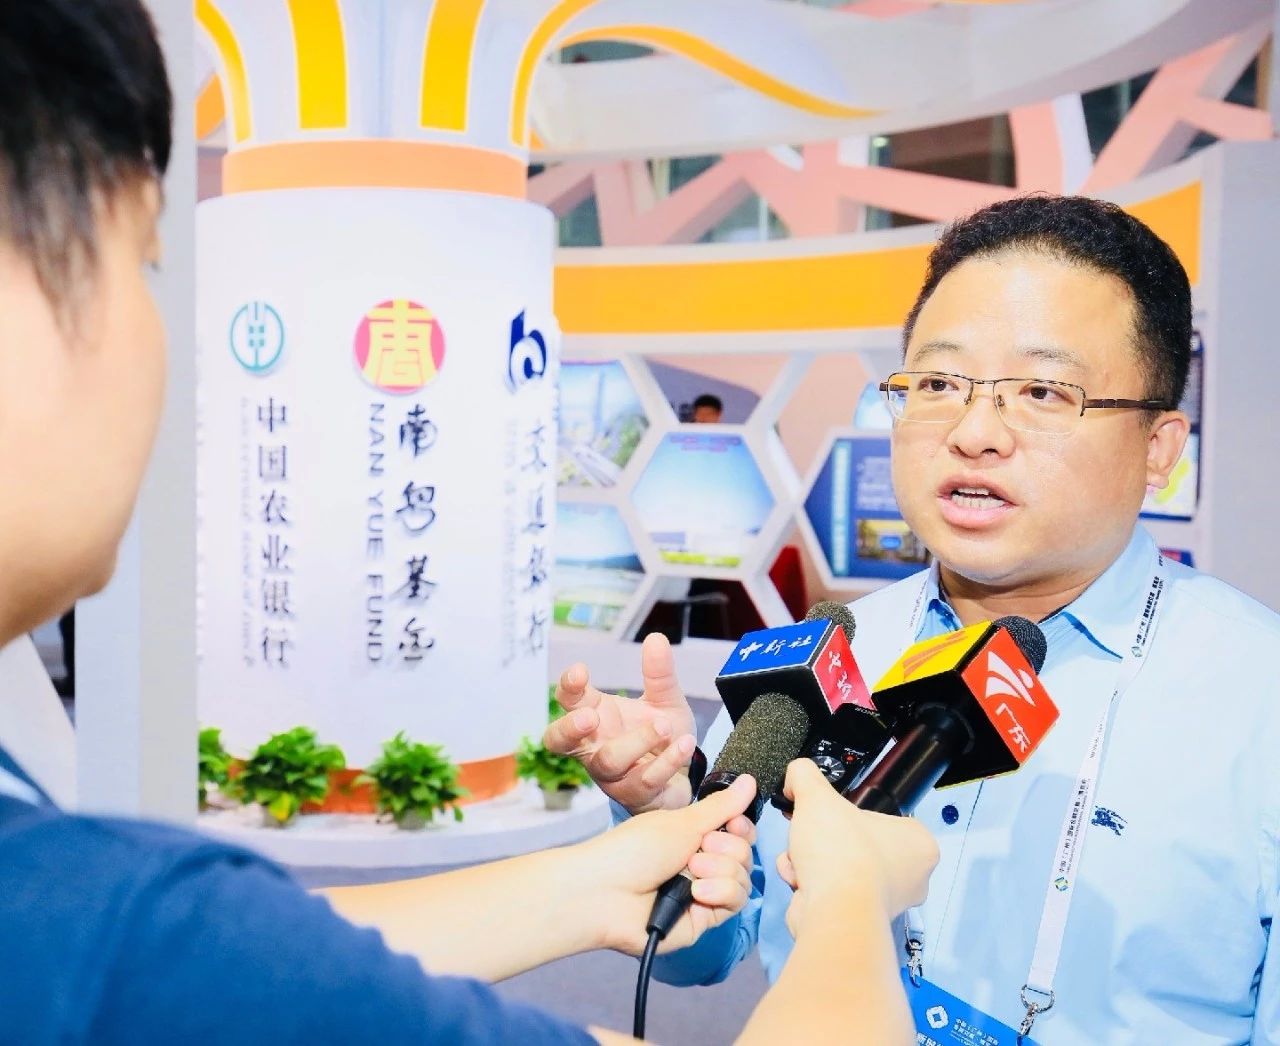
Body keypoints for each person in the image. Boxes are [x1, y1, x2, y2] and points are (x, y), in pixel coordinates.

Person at [0, 3, 940, 1043]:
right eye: (142, 259)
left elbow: (233, 959)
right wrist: (852, 898)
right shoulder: (96, 921)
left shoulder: (80, 898)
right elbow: (186, 959)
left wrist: (588, 880)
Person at [548, 194, 1280, 1043]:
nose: (974, 432)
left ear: (1158, 449)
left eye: (1043, 390)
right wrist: (665, 821)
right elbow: (705, 955)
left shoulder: (1256, 696)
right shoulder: (825, 654)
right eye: (937, 383)